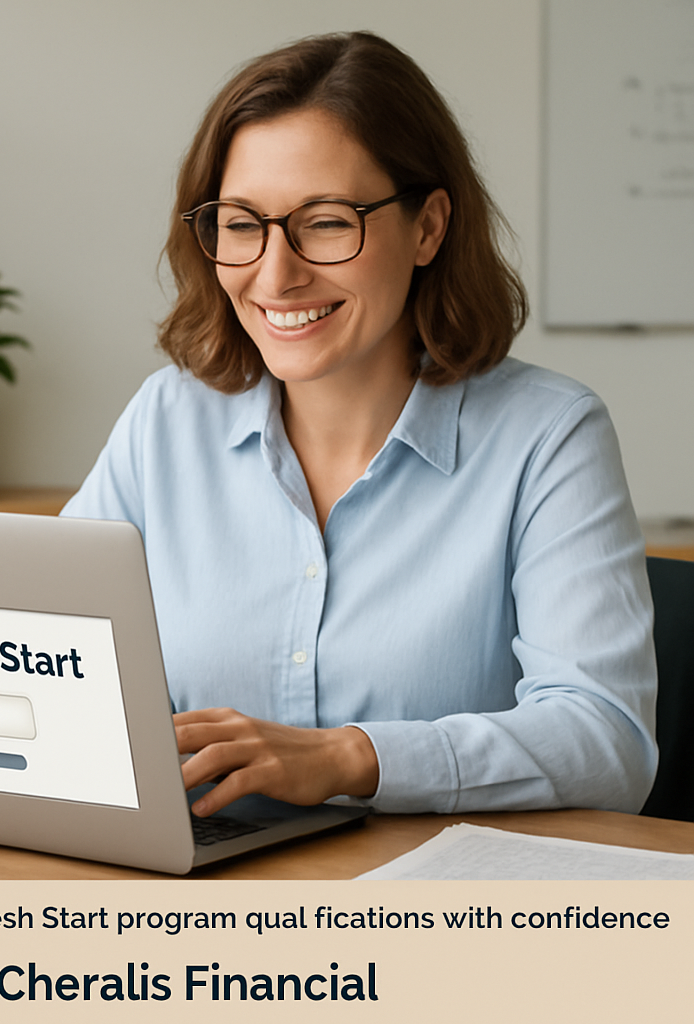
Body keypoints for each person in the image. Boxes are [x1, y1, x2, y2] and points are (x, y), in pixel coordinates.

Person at [61, 31, 657, 817]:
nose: (276, 274)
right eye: (242, 224)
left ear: (428, 227)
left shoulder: (548, 436)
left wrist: (351, 757)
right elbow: (54, 668)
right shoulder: (165, 421)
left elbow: (606, 745)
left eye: (327, 222)